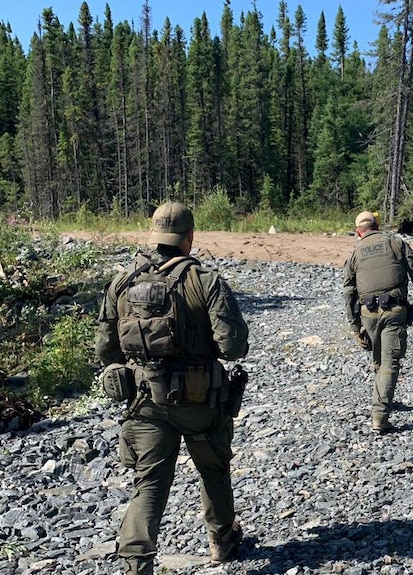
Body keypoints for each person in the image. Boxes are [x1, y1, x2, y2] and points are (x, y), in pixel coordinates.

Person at [95, 201, 249, 575]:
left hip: (145, 402)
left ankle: (136, 562)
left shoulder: (123, 282)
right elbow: (234, 347)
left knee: (148, 483)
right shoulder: (206, 281)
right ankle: (222, 541)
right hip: (200, 400)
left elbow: (104, 350)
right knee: (213, 471)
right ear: (189, 237)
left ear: (153, 235)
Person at [342, 210, 413, 434]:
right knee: (390, 362)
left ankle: (384, 399)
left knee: (379, 357)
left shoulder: (355, 252)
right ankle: (380, 416)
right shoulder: (396, 242)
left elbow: (348, 292)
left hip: (368, 314)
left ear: (358, 232)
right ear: (377, 225)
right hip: (394, 311)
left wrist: (355, 326)